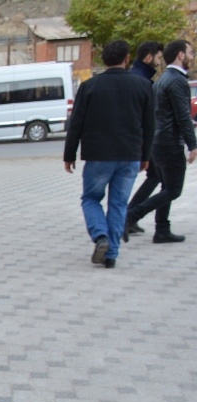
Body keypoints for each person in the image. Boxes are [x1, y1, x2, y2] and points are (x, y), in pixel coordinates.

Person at [63, 39, 154, 269]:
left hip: (98, 155)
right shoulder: (142, 86)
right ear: (126, 58)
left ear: (103, 59)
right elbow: (149, 125)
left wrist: (69, 154)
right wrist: (146, 156)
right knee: (118, 204)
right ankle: (111, 254)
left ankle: (100, 236)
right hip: (130, 155)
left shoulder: (90, 86)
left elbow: (76, 124)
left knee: (91, 198)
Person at [125, 39, 196, 244]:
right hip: (169, 142)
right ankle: (131, 216)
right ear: (180, 55)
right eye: (190, 53)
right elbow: (182, 116)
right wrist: (193, 145)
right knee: (173, 189)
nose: (192, 57)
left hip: (158, 141)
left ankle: (162, 230)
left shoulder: (164, 79)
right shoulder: (177, 81)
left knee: (165, 185)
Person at [124, 40, 164, 241]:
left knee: (155, 175)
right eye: (157, 58)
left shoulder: (140, 77)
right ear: (148, 57)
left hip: (139, 138)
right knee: (157, 175)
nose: (158, 62)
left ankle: (129, 215)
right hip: (140, 139)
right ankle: (128, 216)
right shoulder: (140, 80)